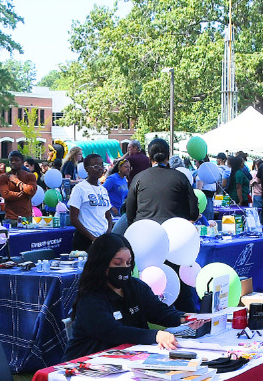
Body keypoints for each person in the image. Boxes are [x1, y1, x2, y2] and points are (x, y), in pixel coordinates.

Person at [64, 233, 200, 360]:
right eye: (117, 263)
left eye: (128, 263)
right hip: (85, 363)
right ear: (102, 264)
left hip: (127, 359)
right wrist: (155, 335)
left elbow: (159, 312)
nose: (124, 267)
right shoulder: (91, 298)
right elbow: (114, 332)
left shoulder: (136, 287)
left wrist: (184, 318)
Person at [122, 138, 198, 225]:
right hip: (174, 231)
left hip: (144, 230)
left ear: (149, 157)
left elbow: (130, 212)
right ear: (168, 156)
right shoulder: (180, 177)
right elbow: (194, 211)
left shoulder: (138, 178)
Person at [69, 154, 115, 246]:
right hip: (85, 239)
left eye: (102, 165)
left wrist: (108, 234)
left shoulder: (103, 190)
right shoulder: (79, 189)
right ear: (86, 169)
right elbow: (73, 219)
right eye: (96, 166)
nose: (100, 169)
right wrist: (92, 238)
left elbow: (108, 215)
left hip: (103, 238)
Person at [0, 154, 37, 223]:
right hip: (11, 217)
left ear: (22, 162)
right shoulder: (3, 177)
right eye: (11, 160)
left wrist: (16, 181)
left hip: (26, 216)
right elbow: (6, 195)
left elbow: (31, 191)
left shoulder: (30, 176)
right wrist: (24, 194)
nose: (13, 162)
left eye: (16, 160)